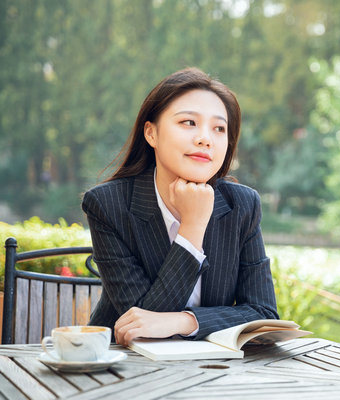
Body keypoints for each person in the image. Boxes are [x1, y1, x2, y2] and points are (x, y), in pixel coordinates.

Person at [82, 68, 278, 346]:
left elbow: (263, 314)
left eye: (219, 128)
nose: (205, 138)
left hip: (214, 372)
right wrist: (193, 227)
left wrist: (186, 321)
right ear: (151, 133)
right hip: (125, 367)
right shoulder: (108, 206)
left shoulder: (242, 205)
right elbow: (142, 327)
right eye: (188, 122)